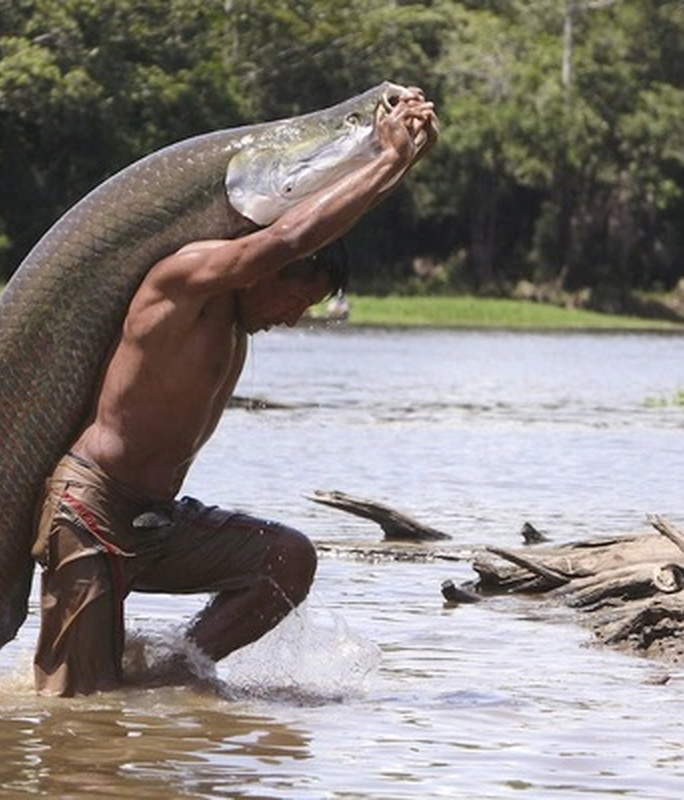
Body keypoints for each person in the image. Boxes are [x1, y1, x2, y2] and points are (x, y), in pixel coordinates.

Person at [30, 88, 438, 696]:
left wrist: (400, 159)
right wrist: (385, 160)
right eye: (296, 301)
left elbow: (296, 239)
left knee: (287, 559)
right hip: (91, 512)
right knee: (76, 715)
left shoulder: (234, 328)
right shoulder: (185, 281)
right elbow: (285, 239)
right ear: (264, 273)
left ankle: (172, 672)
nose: (293, 318)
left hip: (157, 520)